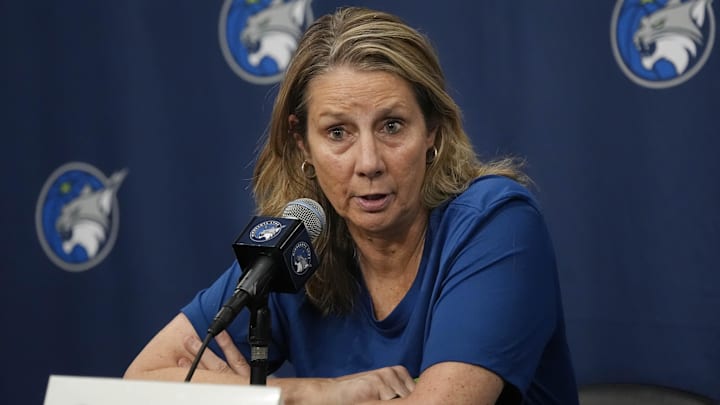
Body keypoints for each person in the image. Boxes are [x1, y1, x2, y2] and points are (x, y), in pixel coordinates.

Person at [124, 6, 579, 404]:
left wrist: (254, 399)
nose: (368, 163)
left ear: (433, 134)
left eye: (392, 126)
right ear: (302, 143)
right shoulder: (294, 248)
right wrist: (309, 392)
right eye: (338, 132)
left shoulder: (495, 222)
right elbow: (138, 387)